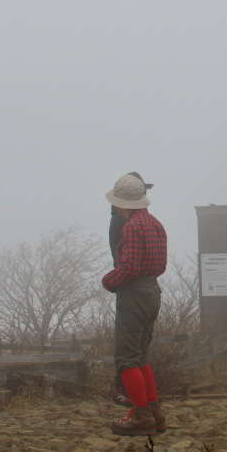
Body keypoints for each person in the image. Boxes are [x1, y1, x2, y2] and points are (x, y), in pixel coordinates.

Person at [101, 172, 167, 436]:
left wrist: (108, 280)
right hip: (152, 290)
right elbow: (160, 265)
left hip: (134, 294)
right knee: (141, 357)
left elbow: (129, 267)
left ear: (120, 204)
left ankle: (141, 416)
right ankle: (154, 412)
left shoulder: (131, 227)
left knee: (127, 360)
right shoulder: (155, 224)